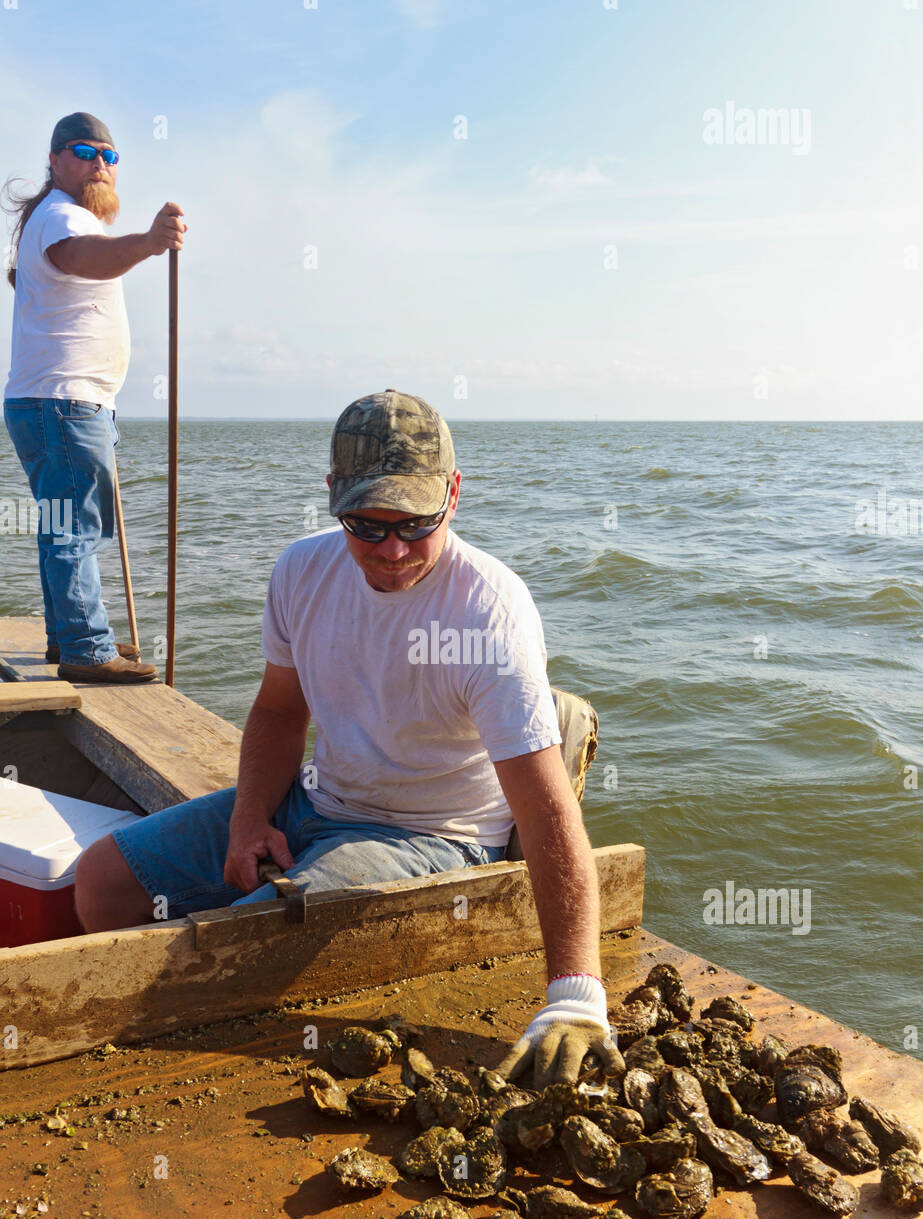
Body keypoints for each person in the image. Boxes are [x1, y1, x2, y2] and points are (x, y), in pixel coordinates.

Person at [74, 390, 617, 1087]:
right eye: (365, 524)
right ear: (331, 495)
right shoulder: (302, 571)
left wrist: (574, 995)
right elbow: (277, 713)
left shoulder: (488, 611)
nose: (392, 550)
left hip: (432, 831)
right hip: (316, 801)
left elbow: (545, 811)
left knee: (234, 942)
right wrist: (248, 821)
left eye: (416, 524)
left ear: (454, 494)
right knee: (104, 882)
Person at [2, 111, 186, 683]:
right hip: (65, 402)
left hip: (46, 401)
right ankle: (86, 648)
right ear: (55, 160)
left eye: (109, 157)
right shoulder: (61, 216)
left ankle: (67, 637)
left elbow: (58, 268)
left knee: (60, 522)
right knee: (75, 528)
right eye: (85, 152)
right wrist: (152, 243)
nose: (100, 165)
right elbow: (82, 257)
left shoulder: (55, 218)